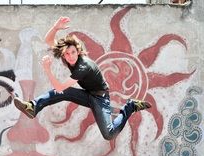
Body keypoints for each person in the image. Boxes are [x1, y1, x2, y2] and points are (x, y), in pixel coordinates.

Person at [13, 16, 151, 140]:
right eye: (67, 54)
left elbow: (59, 87)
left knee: (109, 134)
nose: (70, 56)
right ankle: (33, 106)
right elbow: (48, 40)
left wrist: (47, 70)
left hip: (100, 98)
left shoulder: (83, 67)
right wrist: (55, 28)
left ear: (78, 52)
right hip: (88, 94)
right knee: (64, 93)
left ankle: (130, 106)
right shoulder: (67, 56)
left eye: (73, 52)